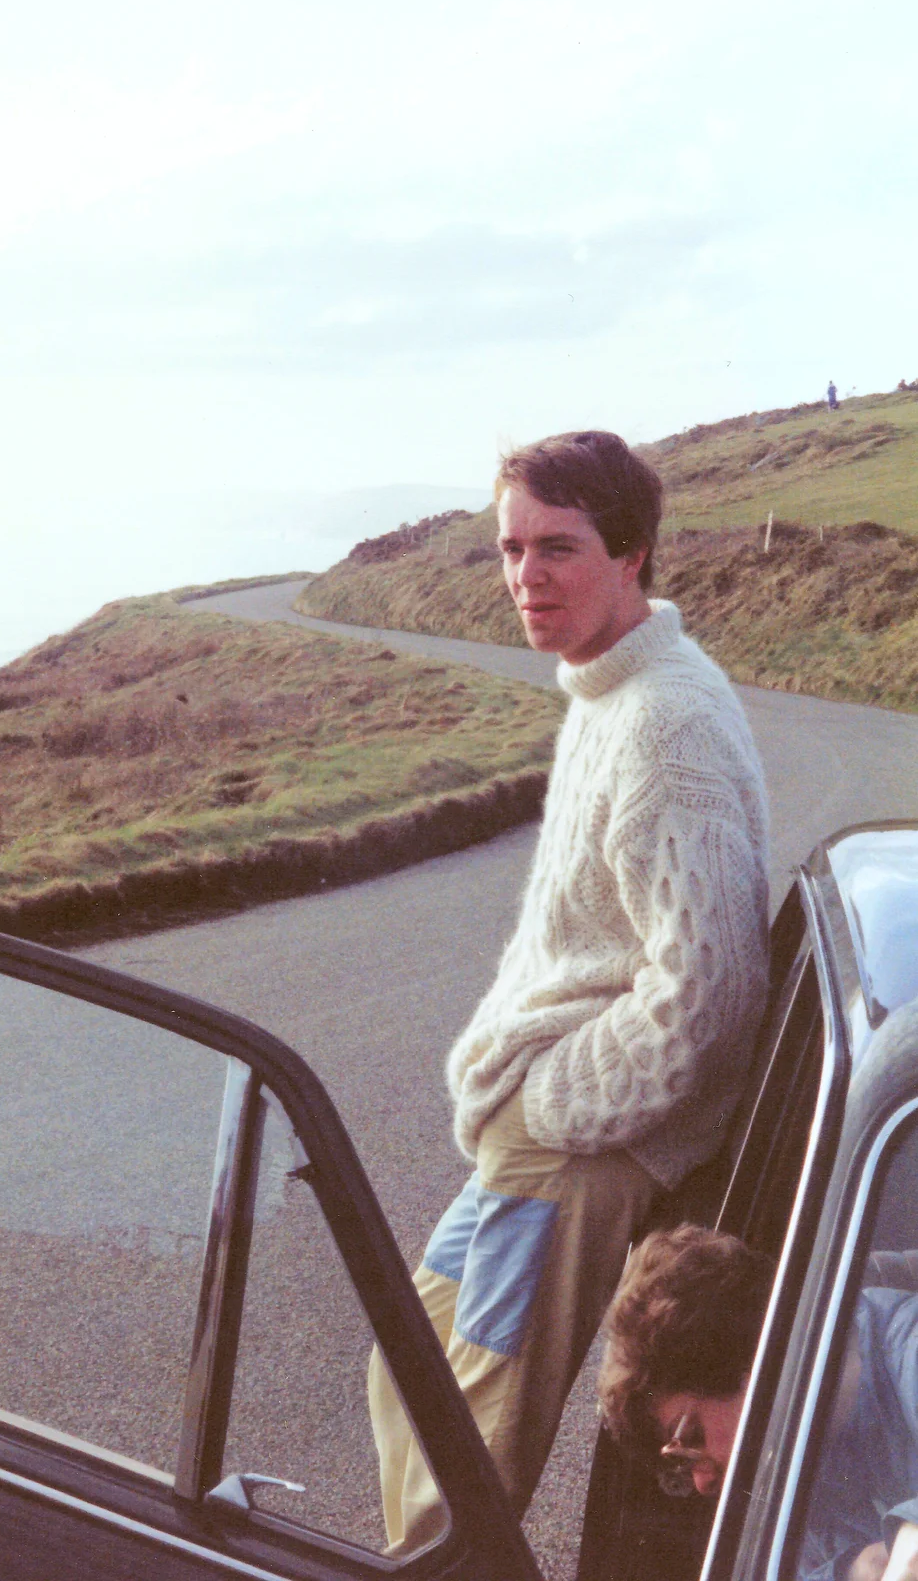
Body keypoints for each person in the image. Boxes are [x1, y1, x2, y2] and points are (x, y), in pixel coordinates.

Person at [367, 430, 771, 1553]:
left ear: (632, 552)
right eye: (510, 549)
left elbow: (706, 997)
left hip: (574, 1153)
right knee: (405, 1384)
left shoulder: (664, 727)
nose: (525, 577)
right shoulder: (610, 693)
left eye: (558, 547)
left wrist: (547, 1109)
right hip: (537, 1139)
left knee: (461, 1457)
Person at [598, 1225, 918, 1581]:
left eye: (692, 1436)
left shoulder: (907, 1346)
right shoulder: (793, 1472)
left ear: (746, 1362)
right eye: (680, 1469)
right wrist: (851, 1572)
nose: (703, 1483)